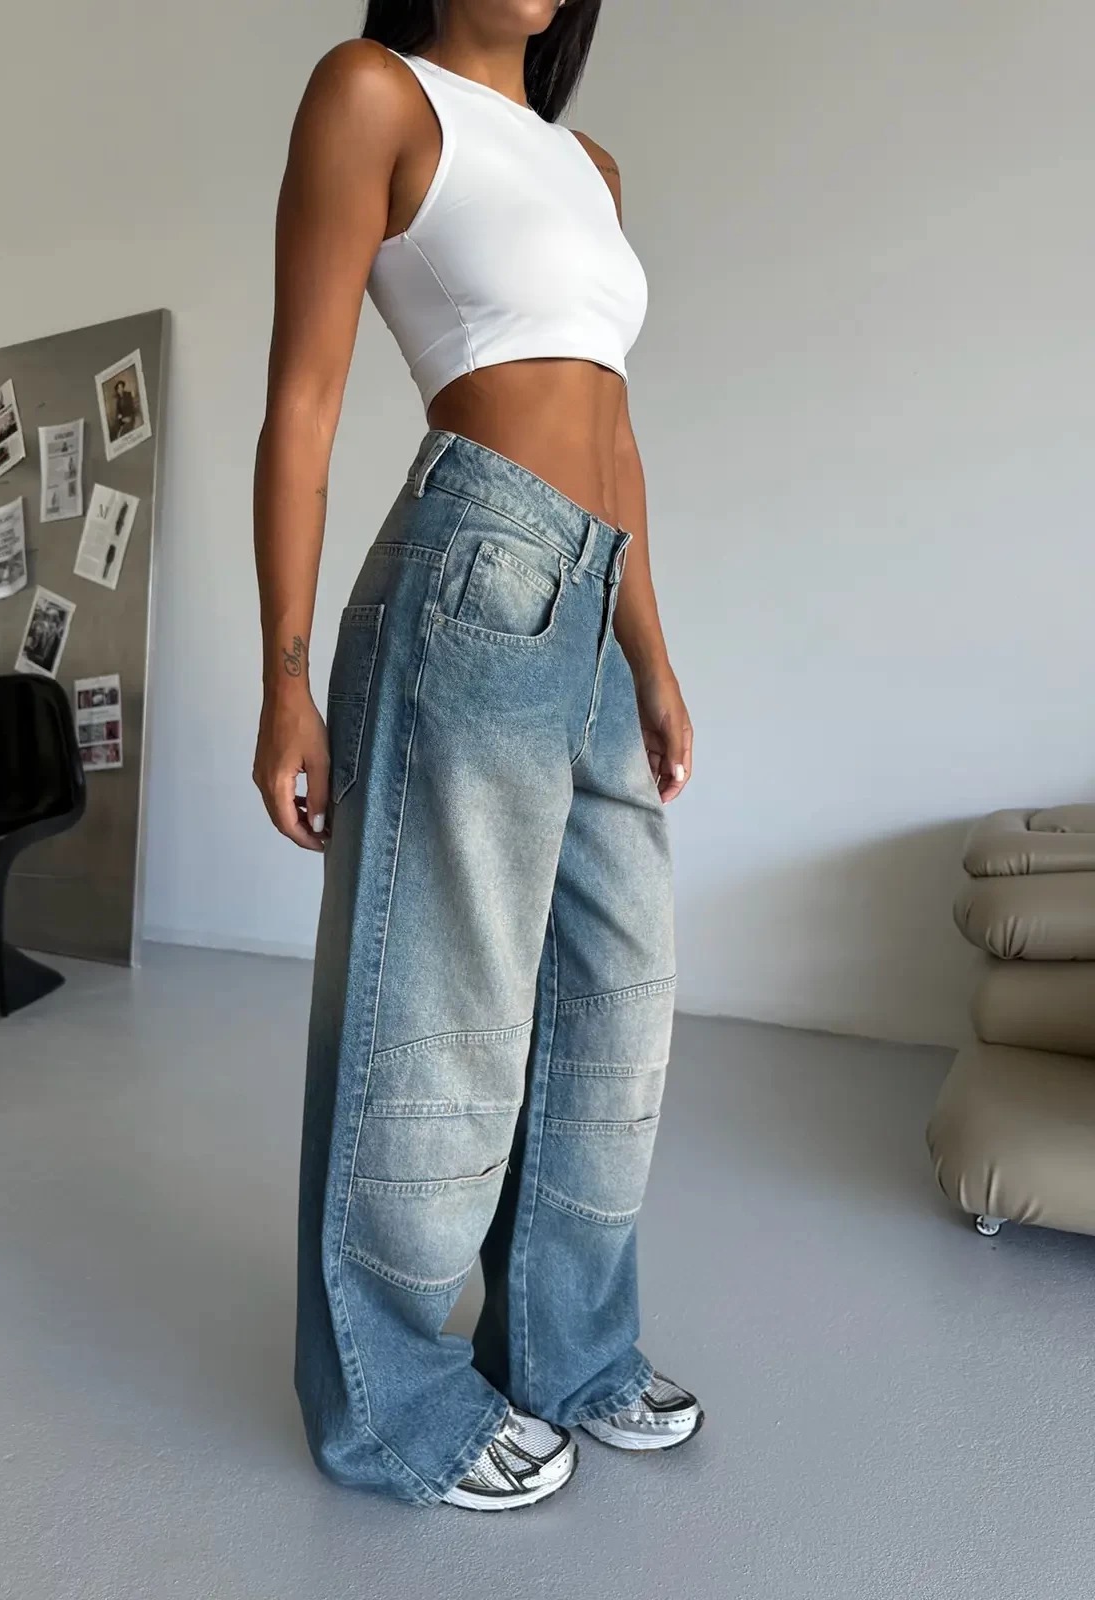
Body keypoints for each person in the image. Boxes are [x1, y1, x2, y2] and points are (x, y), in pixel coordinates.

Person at [253, 0, 699, 1511]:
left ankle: (566, 1351)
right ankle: (385, 1402)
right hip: (473, 568)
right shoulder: (375, 93)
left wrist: (652, 657)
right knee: (435, 1013)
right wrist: (285, 683)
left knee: (614, 1004)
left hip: (590, 596)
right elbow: (304, 401)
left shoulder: (592, 166)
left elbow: (618, 437)